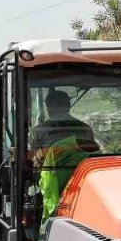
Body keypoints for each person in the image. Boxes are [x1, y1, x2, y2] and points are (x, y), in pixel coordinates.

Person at [31, 90, 100, 220]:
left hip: (52, 184)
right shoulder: (84, 129)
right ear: (68, 106)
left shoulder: (41, 131)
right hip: (83, 183)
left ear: (48, 108)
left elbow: (36, 161)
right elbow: (93, 154)